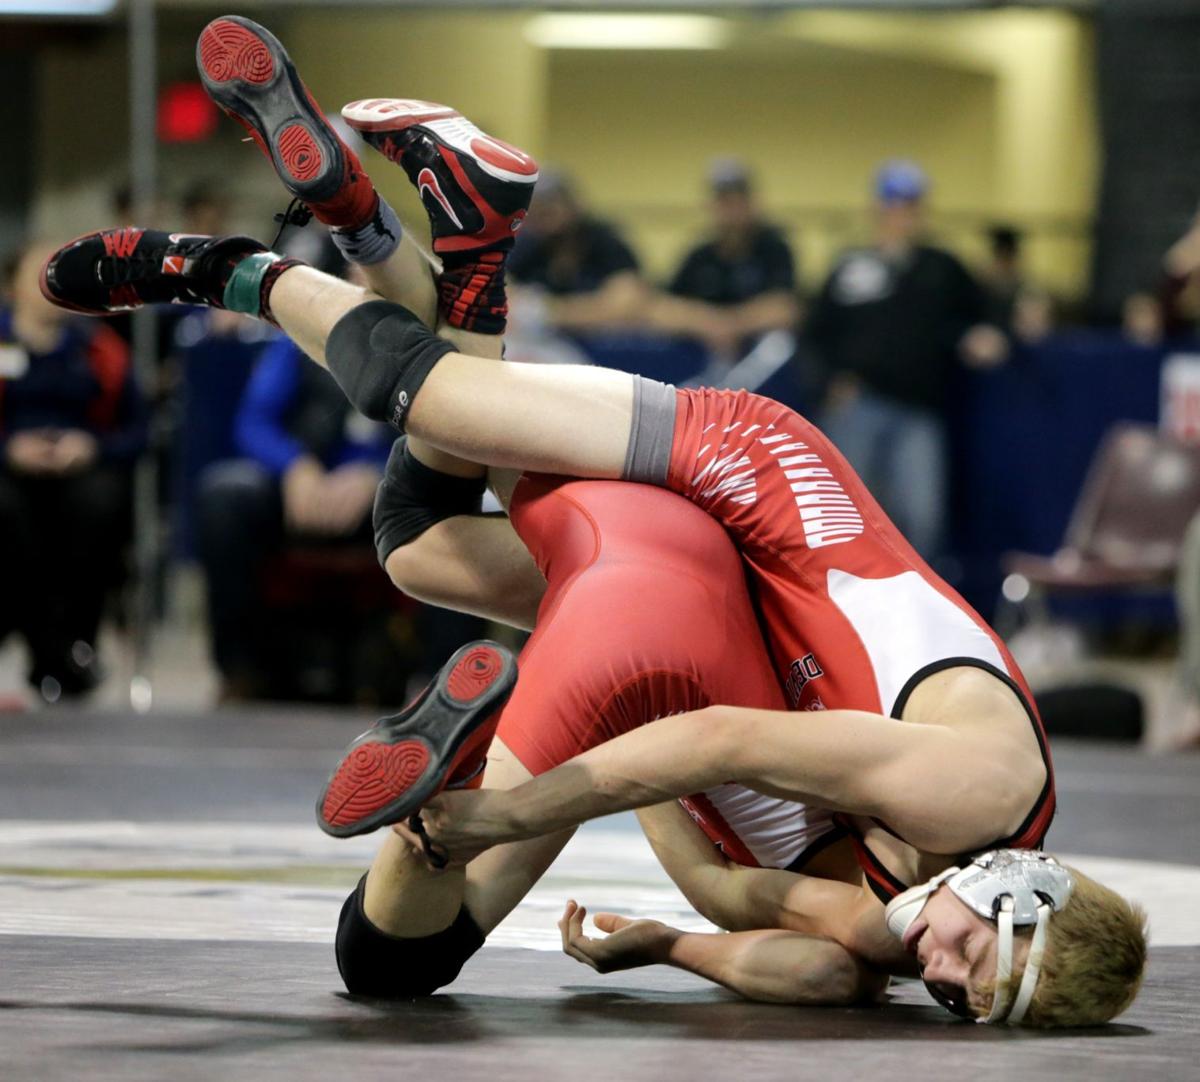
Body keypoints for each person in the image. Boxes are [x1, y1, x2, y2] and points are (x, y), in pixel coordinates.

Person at [40, 16, 1146, 1026]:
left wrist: (669, 935)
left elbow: (736, 874)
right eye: (974, 957)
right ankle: (225, 265)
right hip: (758, 487)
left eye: (965, 999)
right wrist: (518, 814)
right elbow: (721, 743)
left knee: (421, 541)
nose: (944, 972)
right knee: (430, 402)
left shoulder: (897, 917)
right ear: (1022, 889)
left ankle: (396, 229)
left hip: (719, 609)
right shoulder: (979, 794)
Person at [804, 160, 1007, 558]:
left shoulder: (942, 267)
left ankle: (914, 612)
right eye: (894, 204)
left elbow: (983, 312)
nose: (902, 215)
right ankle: (847, 614)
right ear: (878, 209)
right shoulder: (850, 266)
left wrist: (991, 332)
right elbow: (814, 333)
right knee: (849, 518)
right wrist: (827, 384)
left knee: (922, 516)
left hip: (919, 408)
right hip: (857, 406)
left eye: (911, 205)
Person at [195, 332, 391, 699]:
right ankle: (242, 670)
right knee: (224, 495)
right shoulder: (304, 334)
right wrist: (294, 466)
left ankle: (427, 675)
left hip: (386, 494)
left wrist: (378, 473)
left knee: (448, 504)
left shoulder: (430, 341)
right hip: (300, 486)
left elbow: (442, 435)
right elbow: (253, 421)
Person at [1, 241, 147, 701]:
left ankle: (75, 646)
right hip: (9, 471)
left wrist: (92, 447)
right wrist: (9, 447)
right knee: (8, 515)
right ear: (12, 288)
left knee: (99, 506)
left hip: (83, 469)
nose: (48, 287)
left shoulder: (101, 349)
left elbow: (139, 430)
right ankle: (43, 648)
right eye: (36, 276)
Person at [651, 158, 799, 362]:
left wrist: (730, 326)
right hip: (700, 357)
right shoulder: (699, 256)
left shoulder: (774, 250)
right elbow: (663, 310)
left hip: (754, 356)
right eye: (724, 201)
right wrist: (708, 324)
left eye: (737, 201)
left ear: (752, 203)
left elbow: (784, 309)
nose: (731, 210)